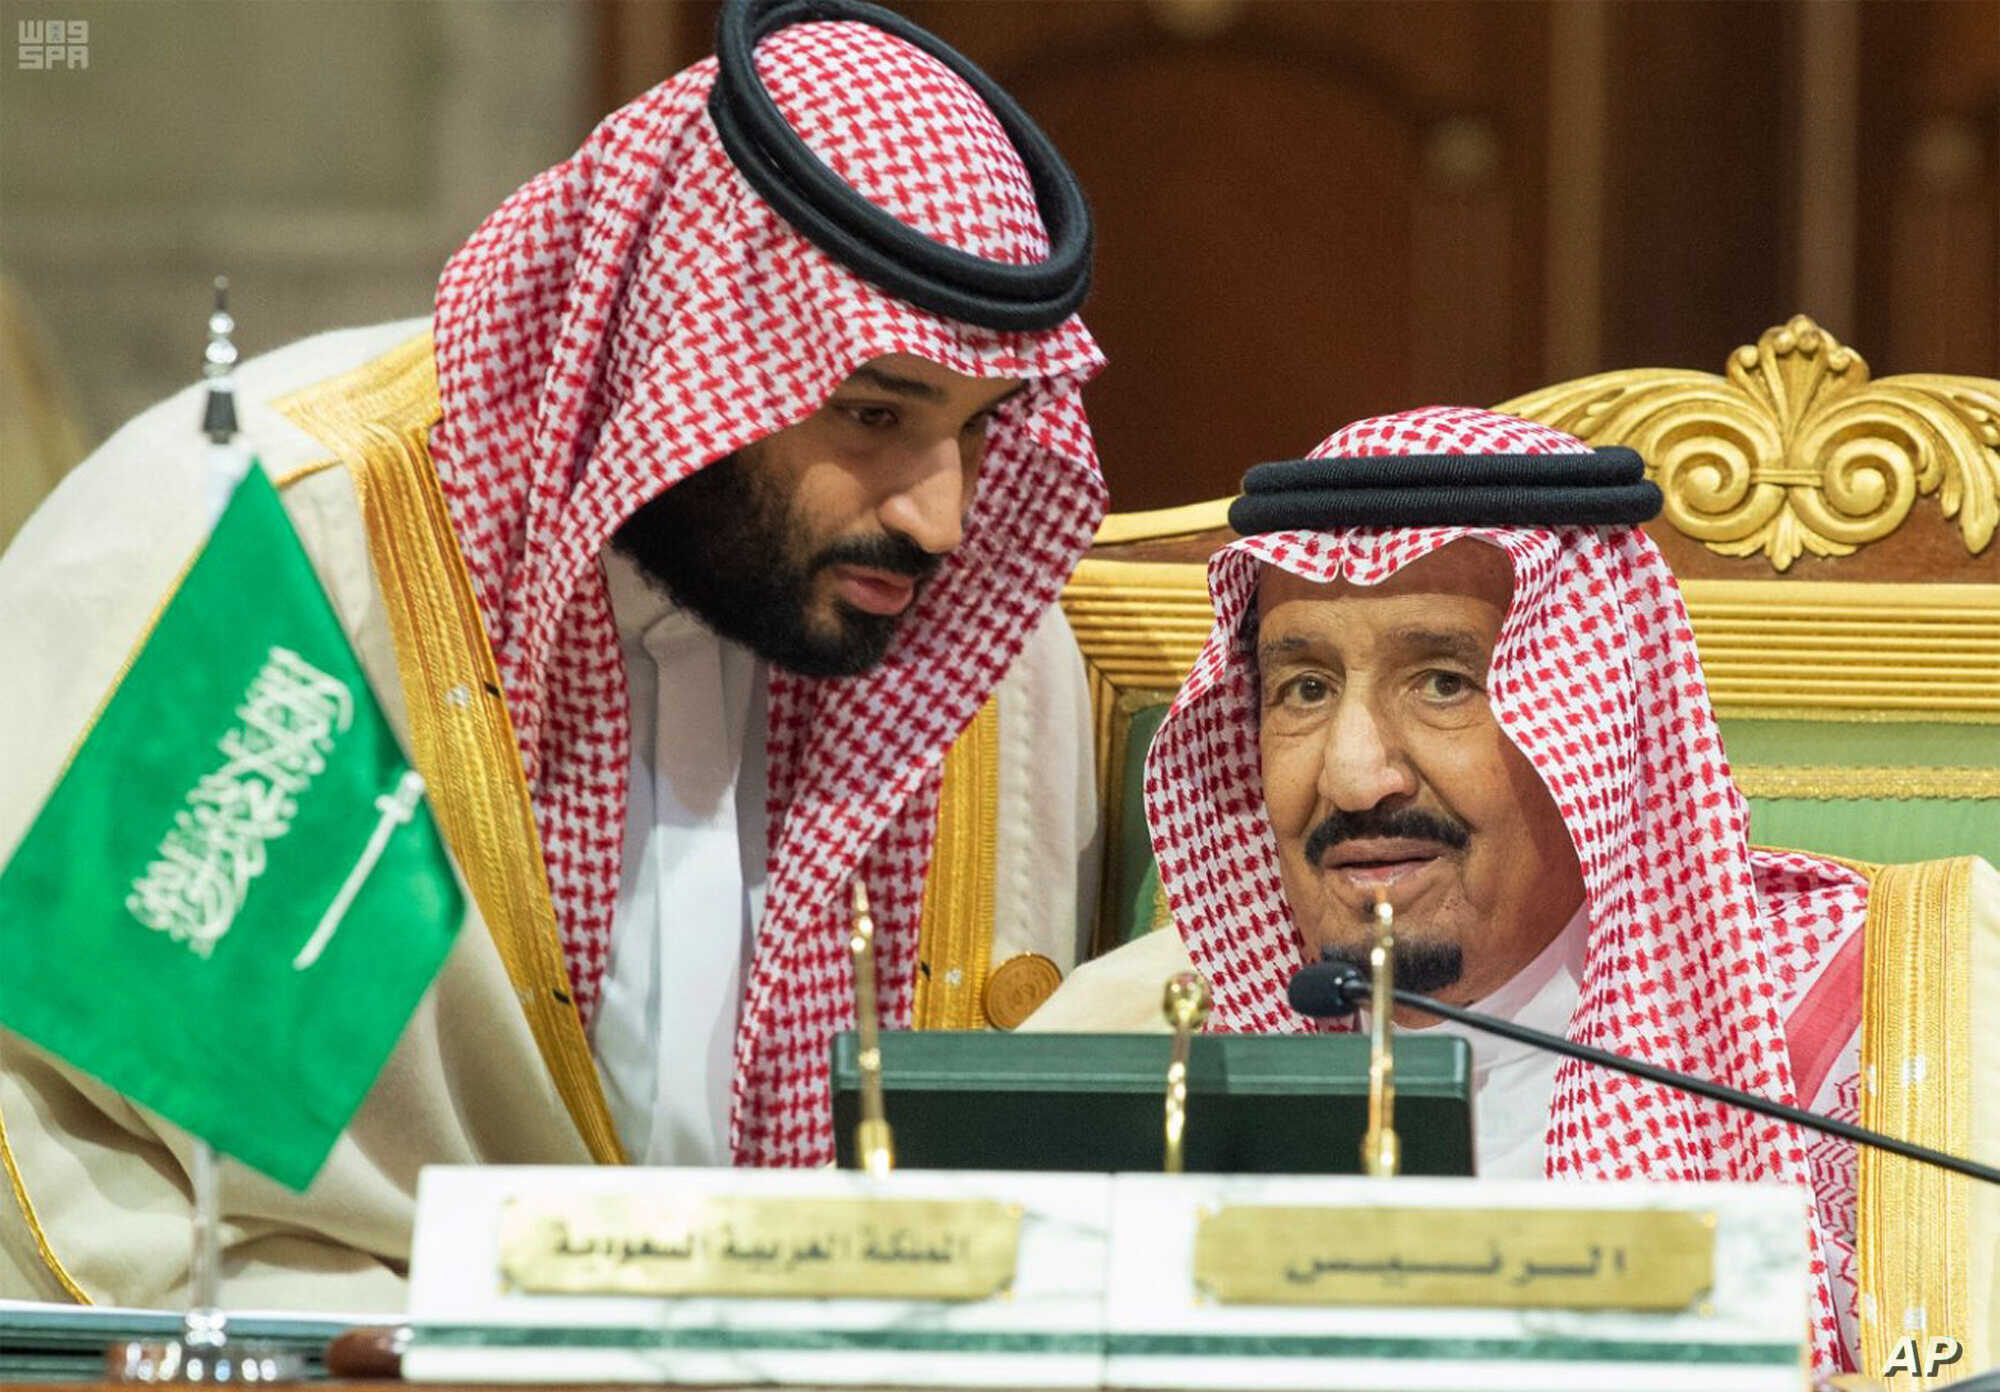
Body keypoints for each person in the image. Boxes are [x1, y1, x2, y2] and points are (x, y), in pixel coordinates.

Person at [0, 2, 1106, 1308]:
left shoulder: (969, 631)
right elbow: (77, 1130)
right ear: (683, 355)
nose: (943, 518)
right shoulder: (290, 563)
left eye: (980, 428)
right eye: (872, 415)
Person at [1027, 406, 1999, 1376]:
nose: (1354, 777)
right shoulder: (1135, 1038)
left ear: (1596, 723)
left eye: (1443, 683)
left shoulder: (1906, 1025)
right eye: (1305, 690)